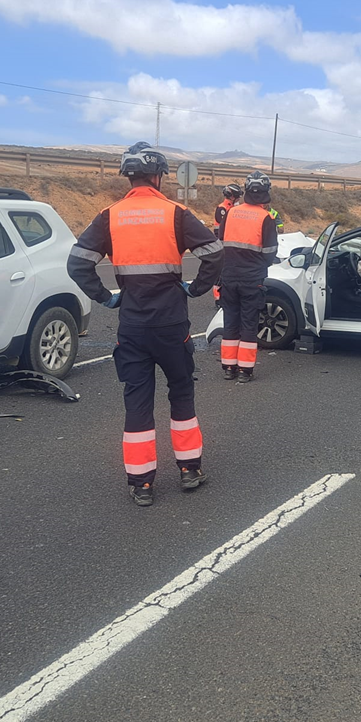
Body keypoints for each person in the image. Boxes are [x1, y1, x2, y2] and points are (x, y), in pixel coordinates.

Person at [68, 141, 224, 506]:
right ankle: (189, 470)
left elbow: (77, 264)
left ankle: (142, 483)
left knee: (137, 402)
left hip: (133, 327)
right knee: (181, 393)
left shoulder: (110, 215)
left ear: (128, 176)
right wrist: (196, 288)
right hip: (172, 324)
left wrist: (107, 297)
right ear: (158, 176)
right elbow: (215, 254)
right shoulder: (175, 213)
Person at [217, 173, 279, 383]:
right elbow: (270, 252)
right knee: (249, 324)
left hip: (229, 275)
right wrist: (260, 266)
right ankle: (245, 370)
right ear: (265, 193)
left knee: (230, 321)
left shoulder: (232, 212)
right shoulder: (266, 218)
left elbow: (221, 243)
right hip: (252, 279)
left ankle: (229, 367)